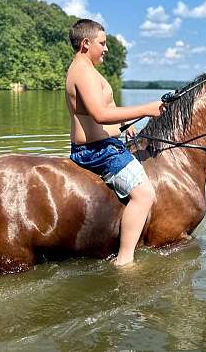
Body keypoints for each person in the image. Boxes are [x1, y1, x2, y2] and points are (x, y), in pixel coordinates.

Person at [65, 19, 164, 266]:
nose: (106, 48)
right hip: (98, 151)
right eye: (103, 43)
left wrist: (127, 124)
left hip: (105, 145)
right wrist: (148, 109)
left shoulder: (86, 69)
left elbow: (105, 109)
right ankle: (125, 260)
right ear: (86, 43)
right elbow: (99, 114)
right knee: (144, 195)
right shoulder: (82, 71)